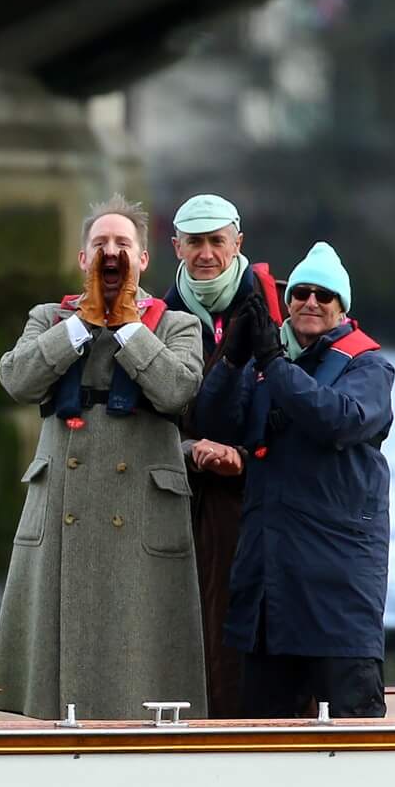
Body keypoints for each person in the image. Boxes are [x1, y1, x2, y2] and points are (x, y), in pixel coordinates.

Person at [0, 199, 208, 720]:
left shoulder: (177, 324)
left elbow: (179, 390)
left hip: (140, 514)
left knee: (142, 649)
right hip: (61, 508)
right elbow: (16, 379)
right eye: (100, 245)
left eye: (123, 245)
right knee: (46, 671)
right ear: (83, 259)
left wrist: (130, 328)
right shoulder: (50, 318)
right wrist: (79, 328)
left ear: (143, 260)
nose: (111, 253)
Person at [194, 242, 395, 719]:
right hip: (269, 596)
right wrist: (232, 361)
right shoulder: (266, 366)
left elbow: (338, 420)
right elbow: (215, 422)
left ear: (342, 308)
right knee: (263, 739)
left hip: (339, 597)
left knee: (353, 735)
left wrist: (272, 363)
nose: (310, 302)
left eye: (324, 296)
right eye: (300, 292)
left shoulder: (369, 368)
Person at [160, 192, 271, 718]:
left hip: (255, 491)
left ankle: (240, 727)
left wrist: (246, 457)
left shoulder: (280, 305)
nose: (206, 253)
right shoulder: (156, 314)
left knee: (244, 626)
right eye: (195, 242)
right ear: (175, 245)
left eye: (216, 241)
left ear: (238, 242)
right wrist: (185, 450)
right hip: (182, 491)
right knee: (185, 622)